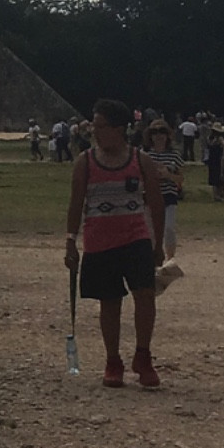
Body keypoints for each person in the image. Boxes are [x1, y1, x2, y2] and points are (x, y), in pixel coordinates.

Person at [66, 98, 166, 387]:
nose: (95, 132)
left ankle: (143, 355)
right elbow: (75, 204)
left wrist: (157, 244)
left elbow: (157, 205)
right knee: (109, 302)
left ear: (119, 129)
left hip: (135, 237)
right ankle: (113, 360)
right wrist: (70, 241)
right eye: (93, 126)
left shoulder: (140, 160)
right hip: (99, 241)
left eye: (101, 126)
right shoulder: (84, 163)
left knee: (145, 296)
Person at [143, 113, 183, 259]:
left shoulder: (174, 155)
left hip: (169, 196)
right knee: (150, 230)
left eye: (162, 132)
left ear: (167, 135)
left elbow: (180, 179)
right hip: (149, 197)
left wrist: (168, 175)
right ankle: (152, 259)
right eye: (155, 132)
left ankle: (170, 259)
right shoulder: (144, 155)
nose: (159, 136)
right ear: (150, 136)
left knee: (169, 228)